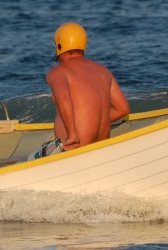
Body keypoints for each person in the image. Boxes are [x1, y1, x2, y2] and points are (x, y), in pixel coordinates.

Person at [30, 22, 130, 160]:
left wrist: (73, 135)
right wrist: (93, 120)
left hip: (74, 148)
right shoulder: (103, 71)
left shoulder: (58, 72)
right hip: (101, 147)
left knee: (24, 163)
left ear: (60, 46)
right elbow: (123, 109)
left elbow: (63, 98)